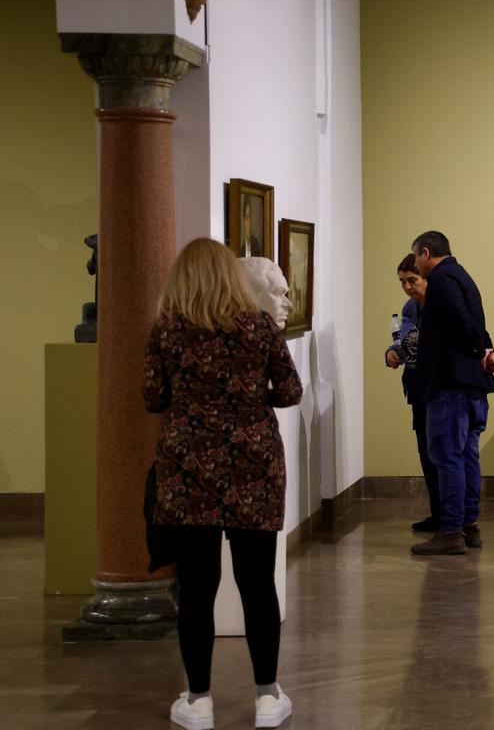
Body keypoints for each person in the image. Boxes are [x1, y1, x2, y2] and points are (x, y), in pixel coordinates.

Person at [144, 238, 302, 730]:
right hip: (254, 466)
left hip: (188, 469)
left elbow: (153, 396)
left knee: (196, 588)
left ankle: (198, 701)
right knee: (257, 584)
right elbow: (290, 390)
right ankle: (267, 697)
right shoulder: (258, 326)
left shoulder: (168, 329)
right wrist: (249, 400)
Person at [409, 231, 494, 555]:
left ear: (425, 253)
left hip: (451, 384)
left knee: (447, 456)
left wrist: (480, 351)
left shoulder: (441, 279)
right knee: (466, 455)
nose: (416, 265)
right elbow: (476, 324)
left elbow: (462, 323)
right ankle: (469, 527)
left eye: (416, 258)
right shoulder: (463, 276)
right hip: (472, 383)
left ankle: (450, 531)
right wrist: (486, 353)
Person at [385, 254, 440, 532]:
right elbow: (402, 341)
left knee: (443, 454)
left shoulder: (440, 306)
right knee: (426, 453)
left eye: (412, 280)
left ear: (425, 279)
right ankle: (438, 513)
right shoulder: (409, 308)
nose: (407, 287)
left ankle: (454, 518)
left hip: (439, 389)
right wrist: (392, 352)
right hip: (417, 388)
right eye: (402, 282)